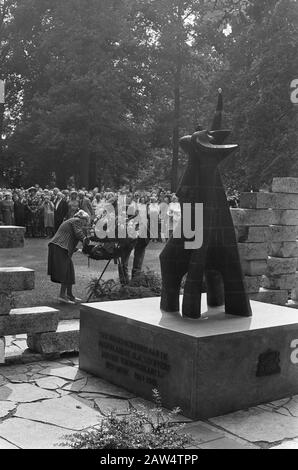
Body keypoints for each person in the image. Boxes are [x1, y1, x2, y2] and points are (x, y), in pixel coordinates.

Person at [47, 210, 90, 304]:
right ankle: (62, 296)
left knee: (69, 271)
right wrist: (86, 241)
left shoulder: (72, 221)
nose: (85, 224)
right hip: (59, 247)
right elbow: (78, 234)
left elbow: (70, 239)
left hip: (60, 247)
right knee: (65, 272)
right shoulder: (76, 220)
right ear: (83, 219)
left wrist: (79, 250)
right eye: (86, 221)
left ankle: (70, 295)